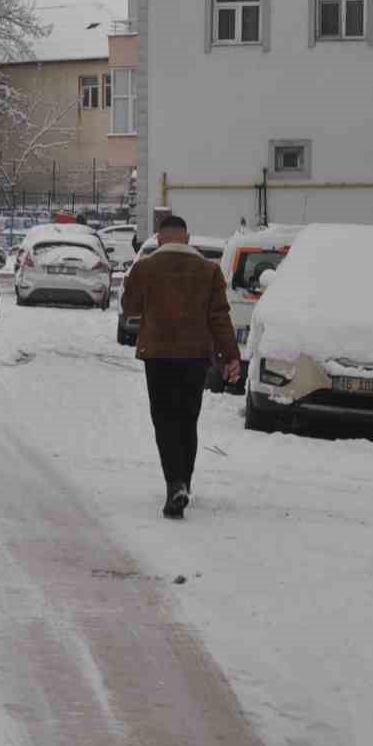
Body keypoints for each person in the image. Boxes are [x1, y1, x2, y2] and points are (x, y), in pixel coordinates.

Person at [119, 214, 240, 519]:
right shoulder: (208, 270)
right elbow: (220, 317)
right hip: (195, 355)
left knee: (164, 419)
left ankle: (174, 484)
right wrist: (231, 356)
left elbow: (129, 306)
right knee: (188, 419)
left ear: (159, 239)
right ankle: (184, 481)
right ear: (188, 239)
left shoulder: (145, 268)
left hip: (158, 355)